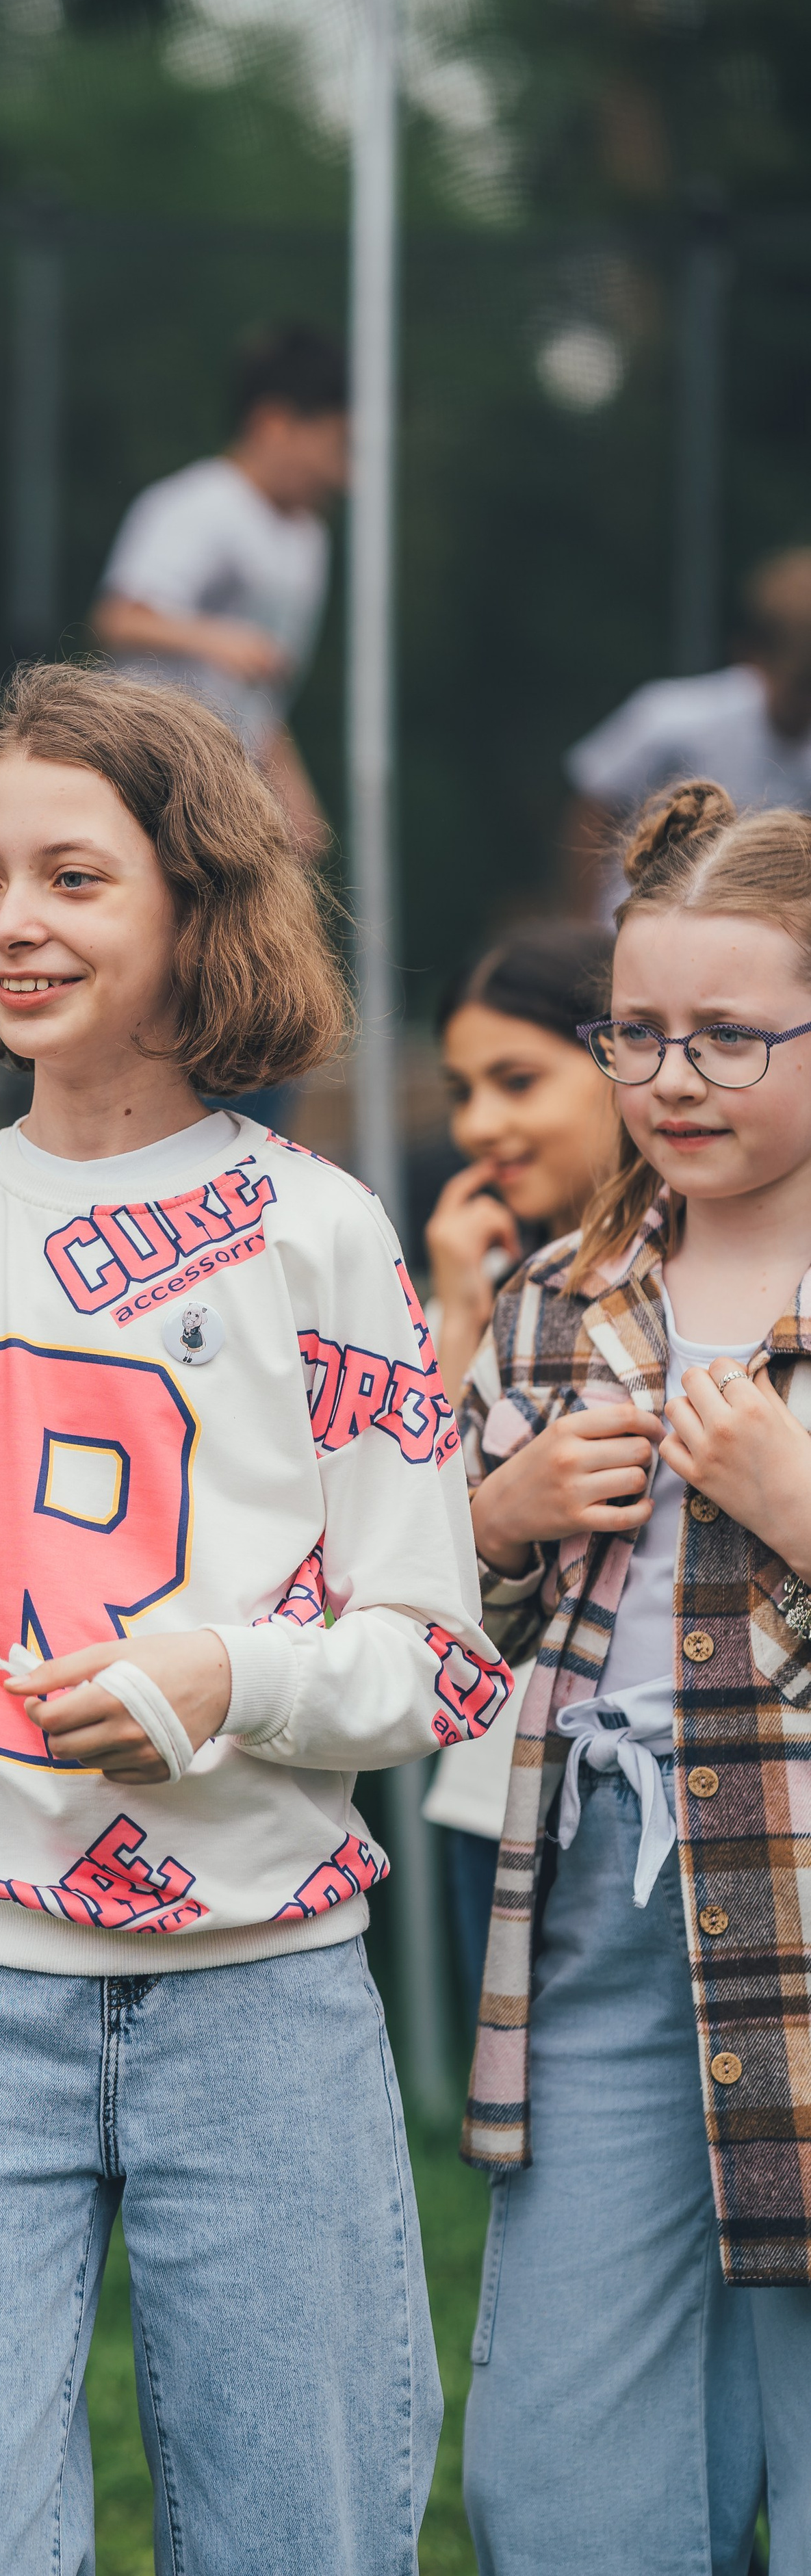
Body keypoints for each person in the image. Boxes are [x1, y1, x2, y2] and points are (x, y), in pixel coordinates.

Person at [0, 664, 510, 2576]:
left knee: (299, 2533)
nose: (12, 924)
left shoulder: (318, 1232)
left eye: (72, 876)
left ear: (194, 904)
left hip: (262, 1990)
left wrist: (225, 1678)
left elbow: (437, 1655)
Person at [458, 777, 811, 2574]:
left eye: (729, 1037)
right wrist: (500, 1516)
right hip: (601, 1902)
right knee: (559, 2470)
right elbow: (436, 1634)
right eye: (637, 1033)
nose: (674, 1078)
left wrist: (791, 1499)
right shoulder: (555, 1301)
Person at [419, 925, 617, 2022]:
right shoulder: (483, 1294)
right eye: (464, 1091)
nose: (479, 1125)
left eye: (518, 1081)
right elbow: (401, 1537)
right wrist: (459, 1310)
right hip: (490, 1786)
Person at [92, 318, 348, 862]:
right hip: (145, 770)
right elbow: (119, 618)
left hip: (223, 777)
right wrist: (219, 639)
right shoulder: (199, 505)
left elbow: (252, 693)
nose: (344, 474)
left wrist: (289, 784)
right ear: (273, 424)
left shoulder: (307, 537)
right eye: (337, 446)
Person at [563, 547, 811, 920]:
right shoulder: (676, 718)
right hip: (639, 923)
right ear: (756, 656)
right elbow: (595, 806)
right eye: (802, 684)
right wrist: (581, 922)